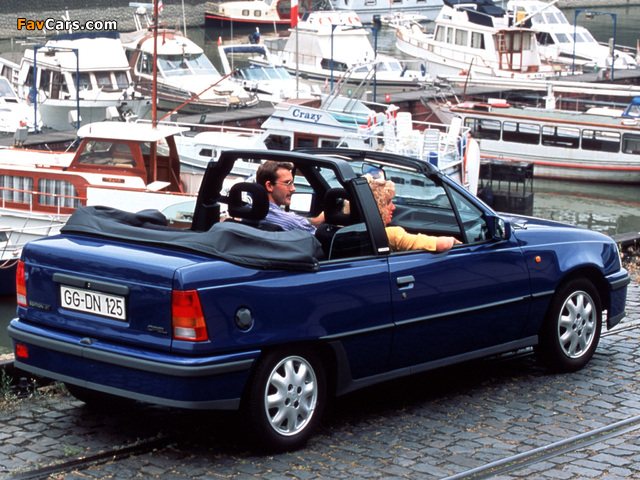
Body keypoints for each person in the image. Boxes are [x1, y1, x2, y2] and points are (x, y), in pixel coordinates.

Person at [365, 174, 460, 253]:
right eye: (388, 202)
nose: (393, 207)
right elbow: (442, 244)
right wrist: (453, 240)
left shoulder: (362, 232)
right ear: (378, 207)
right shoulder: (391, 235)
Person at [255, 160, 325, 233]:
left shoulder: (249, 211)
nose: (293, 188)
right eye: (288, 183)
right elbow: (317, 236)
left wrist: (316, 221)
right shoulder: (289, 221)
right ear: (269, 186)